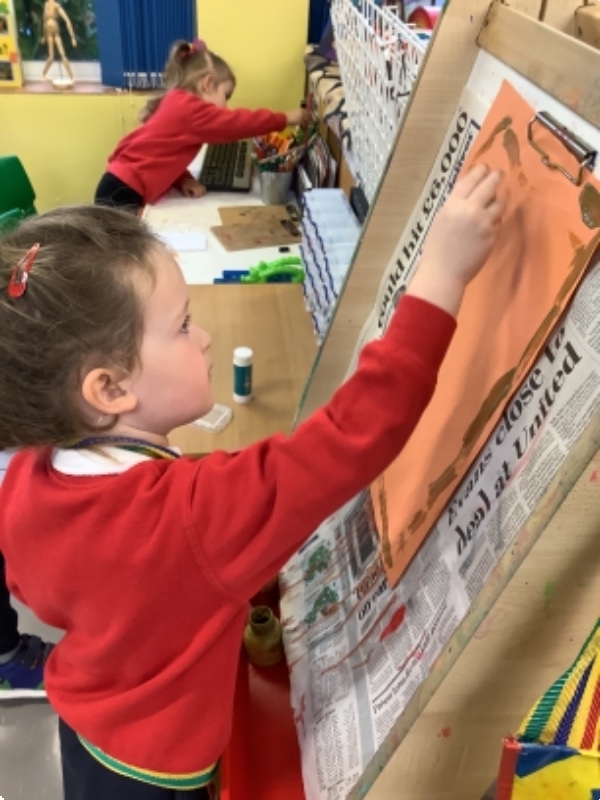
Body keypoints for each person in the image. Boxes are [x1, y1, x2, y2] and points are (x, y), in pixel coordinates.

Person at [0, 162, 504, 799]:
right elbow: (359, 432)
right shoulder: (191, 514)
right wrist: (443, 274)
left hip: (87, 718)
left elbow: (46, 588)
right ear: (111, 388)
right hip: (161, 769)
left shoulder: (29, 473)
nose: (207, 338)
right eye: (184, 325)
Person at [94, 39, 311, 212]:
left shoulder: (178, 103)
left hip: (119, 184)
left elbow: (163, 153)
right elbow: (235, 124)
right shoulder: (188, 108)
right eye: (225, 96)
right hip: (124, 192)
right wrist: (285, 118)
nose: (226, 107)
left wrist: (183, 180)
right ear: (207, 84)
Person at [41, 0, 77, 83]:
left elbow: (67, 20)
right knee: (51, 56)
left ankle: (71, 76)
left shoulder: (56, 6)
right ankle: (43, 74)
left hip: (55, 32)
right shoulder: (46, 5)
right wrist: (44, 36)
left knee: (62, 54)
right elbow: (44, 21)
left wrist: (72, 37)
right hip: (49, 33)